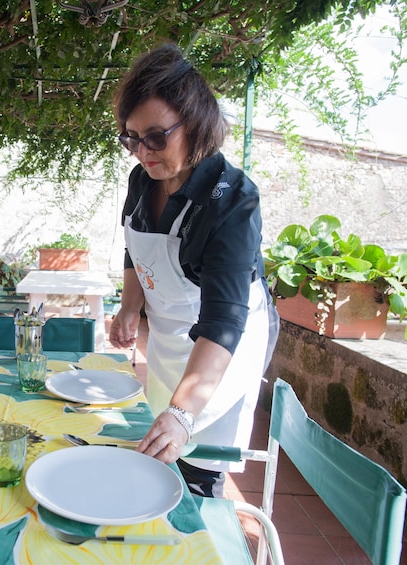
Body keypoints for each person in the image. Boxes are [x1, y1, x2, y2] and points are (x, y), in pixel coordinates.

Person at [109, 43, 279, 497]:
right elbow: (134, 244)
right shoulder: (143, 180)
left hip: (222, 348)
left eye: (156, 137)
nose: (142, 151)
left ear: (196, 123)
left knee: (198, 461)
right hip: (169, 337)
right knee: (159, 448)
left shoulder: (233, 200)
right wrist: (131, 304)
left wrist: (184, 414)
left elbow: (224, 321)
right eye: (131, 137)